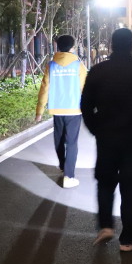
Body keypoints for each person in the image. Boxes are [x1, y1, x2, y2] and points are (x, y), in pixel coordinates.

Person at [81, 28, 132, 252]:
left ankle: (106, 226)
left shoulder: (97, 71)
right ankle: (128, 238)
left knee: (105, 183)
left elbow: (85, 105)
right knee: (131, 189)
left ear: (111, 45)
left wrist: (96, 128)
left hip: (106, 138)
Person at [35, 35, 88, 189]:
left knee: (58, 139)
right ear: (72, 48)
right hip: (74, 109)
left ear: (58, 47)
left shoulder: (51, 65)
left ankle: (63, 165)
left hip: (57, 109)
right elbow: (85, 88)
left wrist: (39, 111)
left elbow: (44, 88)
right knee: (71, 142)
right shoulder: (78, 65)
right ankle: (69, 176)